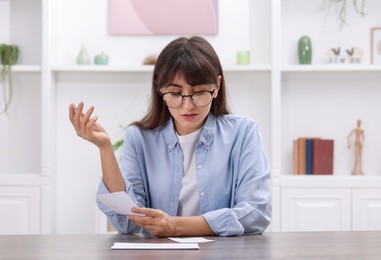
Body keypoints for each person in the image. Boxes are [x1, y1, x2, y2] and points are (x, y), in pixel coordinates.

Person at [69, 36, 271, 237]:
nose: (188, 105)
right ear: (160, 89)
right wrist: (105, 148)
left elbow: (256, 213)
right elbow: (127, 223)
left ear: (216, 86)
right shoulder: (138, 138)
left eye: (199, 92)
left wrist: (175, 226)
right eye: (175, 93)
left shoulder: (243, 132)